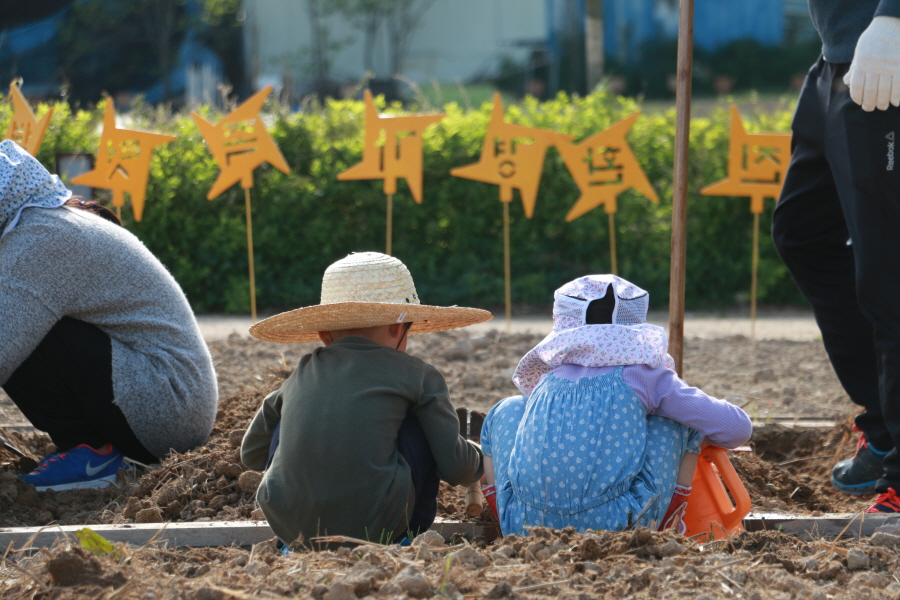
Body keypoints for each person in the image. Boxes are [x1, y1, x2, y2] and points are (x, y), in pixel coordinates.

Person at [0, 140, 218, 491]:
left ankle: (90, 453)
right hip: (168, 401)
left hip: (165, 408)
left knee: (17, 325)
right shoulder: (43, 223)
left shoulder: (39, 239)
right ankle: (91, 448)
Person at [240, 252, 490, 547]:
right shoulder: (418, 375)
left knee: (290, 415)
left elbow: (251, 455)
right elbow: (456, 467)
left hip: (291, 530)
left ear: (323, 335)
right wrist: (481, 457)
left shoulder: (300, 375)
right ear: (399, 327)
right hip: (379, 527)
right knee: (415, 420)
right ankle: (406, 538)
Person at [479, 275, 752, 535]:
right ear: (634, 322)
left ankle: (502, 521)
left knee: (509, 408)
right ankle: (668, 527)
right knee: (679, 420)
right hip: (621, 526)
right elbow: (736, 429)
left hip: (525, 525)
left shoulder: (547, 377)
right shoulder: (644, 376)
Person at [771, 3, 900, 512]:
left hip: (886, 57)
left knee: (888, 273)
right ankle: (885, 425)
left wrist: (892, 17)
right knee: (803, 235)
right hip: (838, 58)